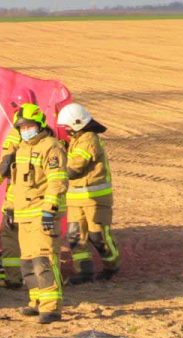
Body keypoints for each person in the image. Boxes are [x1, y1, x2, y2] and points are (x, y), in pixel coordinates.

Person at [10, 103, 68, 325]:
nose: (25, 129)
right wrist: (10, 208)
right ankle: (36, 300)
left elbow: (57, 181)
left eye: (29, 125)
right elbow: (16, 184)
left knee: (44, 260)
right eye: (22, 126)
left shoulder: (51, 147)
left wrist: (49, 210)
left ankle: (51, 307)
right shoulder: (22, 149)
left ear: (40, 124)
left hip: (42, 214)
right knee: (27, 262)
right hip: (24, 214)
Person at [57, 102, 120, 283]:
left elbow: (74, 168)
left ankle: (111, 266)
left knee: (98, 236)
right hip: (76, 199)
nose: (66, 131)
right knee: (76, 237)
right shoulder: (77, 140)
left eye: (68, 127)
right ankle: (84, 271)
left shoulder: (89, 140)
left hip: (95, 199)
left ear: (78, 124)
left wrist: (55, 168)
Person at [0, 87, 37, 289]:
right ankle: (40, 277)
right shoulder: (45, 132)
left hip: (18, 195)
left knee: (10, 236)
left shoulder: (17, 133)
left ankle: (14, 278)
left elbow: (5, 164)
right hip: (39, 195)